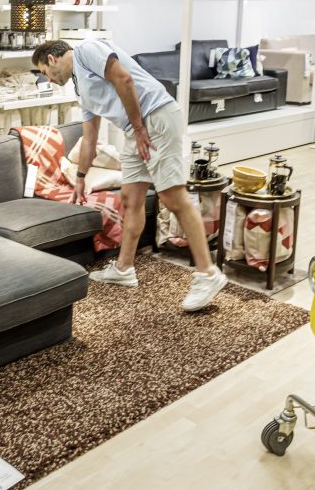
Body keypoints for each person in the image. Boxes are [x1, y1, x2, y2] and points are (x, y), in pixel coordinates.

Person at [32, 39, 227, 312]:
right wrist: (79, 178)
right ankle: (124, 269)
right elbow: (90, 138)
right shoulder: (81, 88)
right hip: (134, 128)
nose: (48, 79)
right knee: (130, 198)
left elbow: (124, 79)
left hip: (154, 117)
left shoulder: (87, 51)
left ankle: (208, 274)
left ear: (52, 59)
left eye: (44, 71)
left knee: (173, 197)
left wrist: (138, 128)